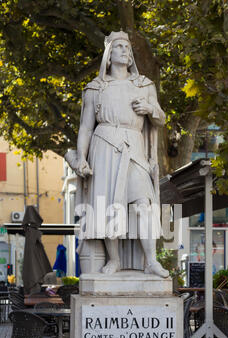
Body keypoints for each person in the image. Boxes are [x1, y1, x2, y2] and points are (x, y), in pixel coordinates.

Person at [65, 31, 169, 278]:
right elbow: (86, 127)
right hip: (104, 147)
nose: (125, 50)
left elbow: (161, 119)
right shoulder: (96, 88)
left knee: (144, 203)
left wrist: (150, 108)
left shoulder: (144, 85)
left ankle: (151, 261)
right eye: (119, 46)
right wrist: (81, 158)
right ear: (109, 55)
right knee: (109, 207)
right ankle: (114, 260)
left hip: (133, 146)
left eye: (127, 47)